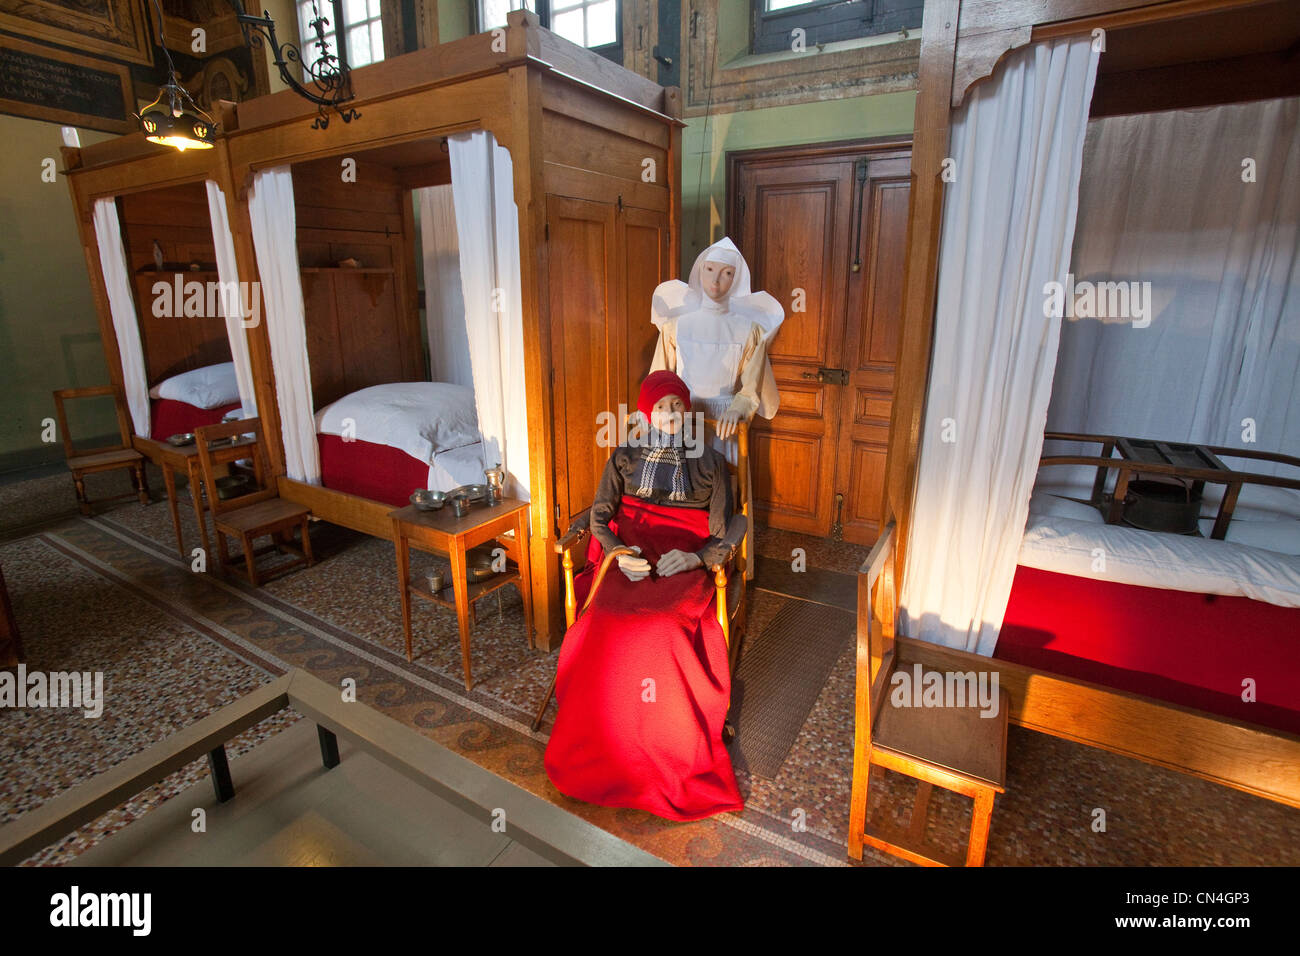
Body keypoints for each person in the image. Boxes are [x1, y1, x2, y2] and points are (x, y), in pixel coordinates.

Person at [543, 370, 744, 822]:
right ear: (643, 414)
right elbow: (598, 518)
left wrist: (695, 560)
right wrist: (616, 552)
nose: (671, 414)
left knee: (666, 627)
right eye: (661, 407)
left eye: (678, 405)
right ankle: (600, 752)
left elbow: (726, 528)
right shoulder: (622, 457)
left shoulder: (711, 464)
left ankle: (668, 755)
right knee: (604, 621)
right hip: (632, 554)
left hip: (684, 557)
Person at [649, 237, 784, 447]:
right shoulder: (675, 326)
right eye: (710, 269)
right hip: (682, 415)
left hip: (725, 420)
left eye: (727, 273)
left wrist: (737, 409)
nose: (716, 280)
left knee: (721, 475)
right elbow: (657, 381)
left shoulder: (750, 331)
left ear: (736, 279)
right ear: (700, 271)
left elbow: (751, 387)